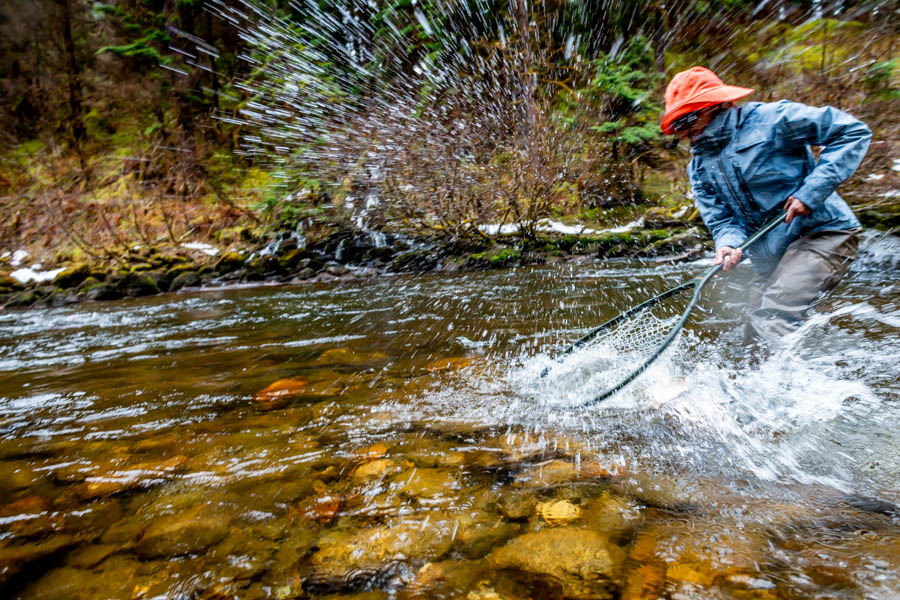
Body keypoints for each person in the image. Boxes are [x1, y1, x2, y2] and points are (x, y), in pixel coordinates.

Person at [660, 66, 871, 347]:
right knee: (753, 339)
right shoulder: (698, 168)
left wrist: (811, 192)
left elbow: (852, 132)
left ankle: (777, 390)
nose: (685, 132)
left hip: (824, 234)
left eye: (688, 119)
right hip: (770, 258)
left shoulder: (772, 119)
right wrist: (726, 244)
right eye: (678, 125)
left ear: (719, 105)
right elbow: (723, 222)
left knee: (771, 318)